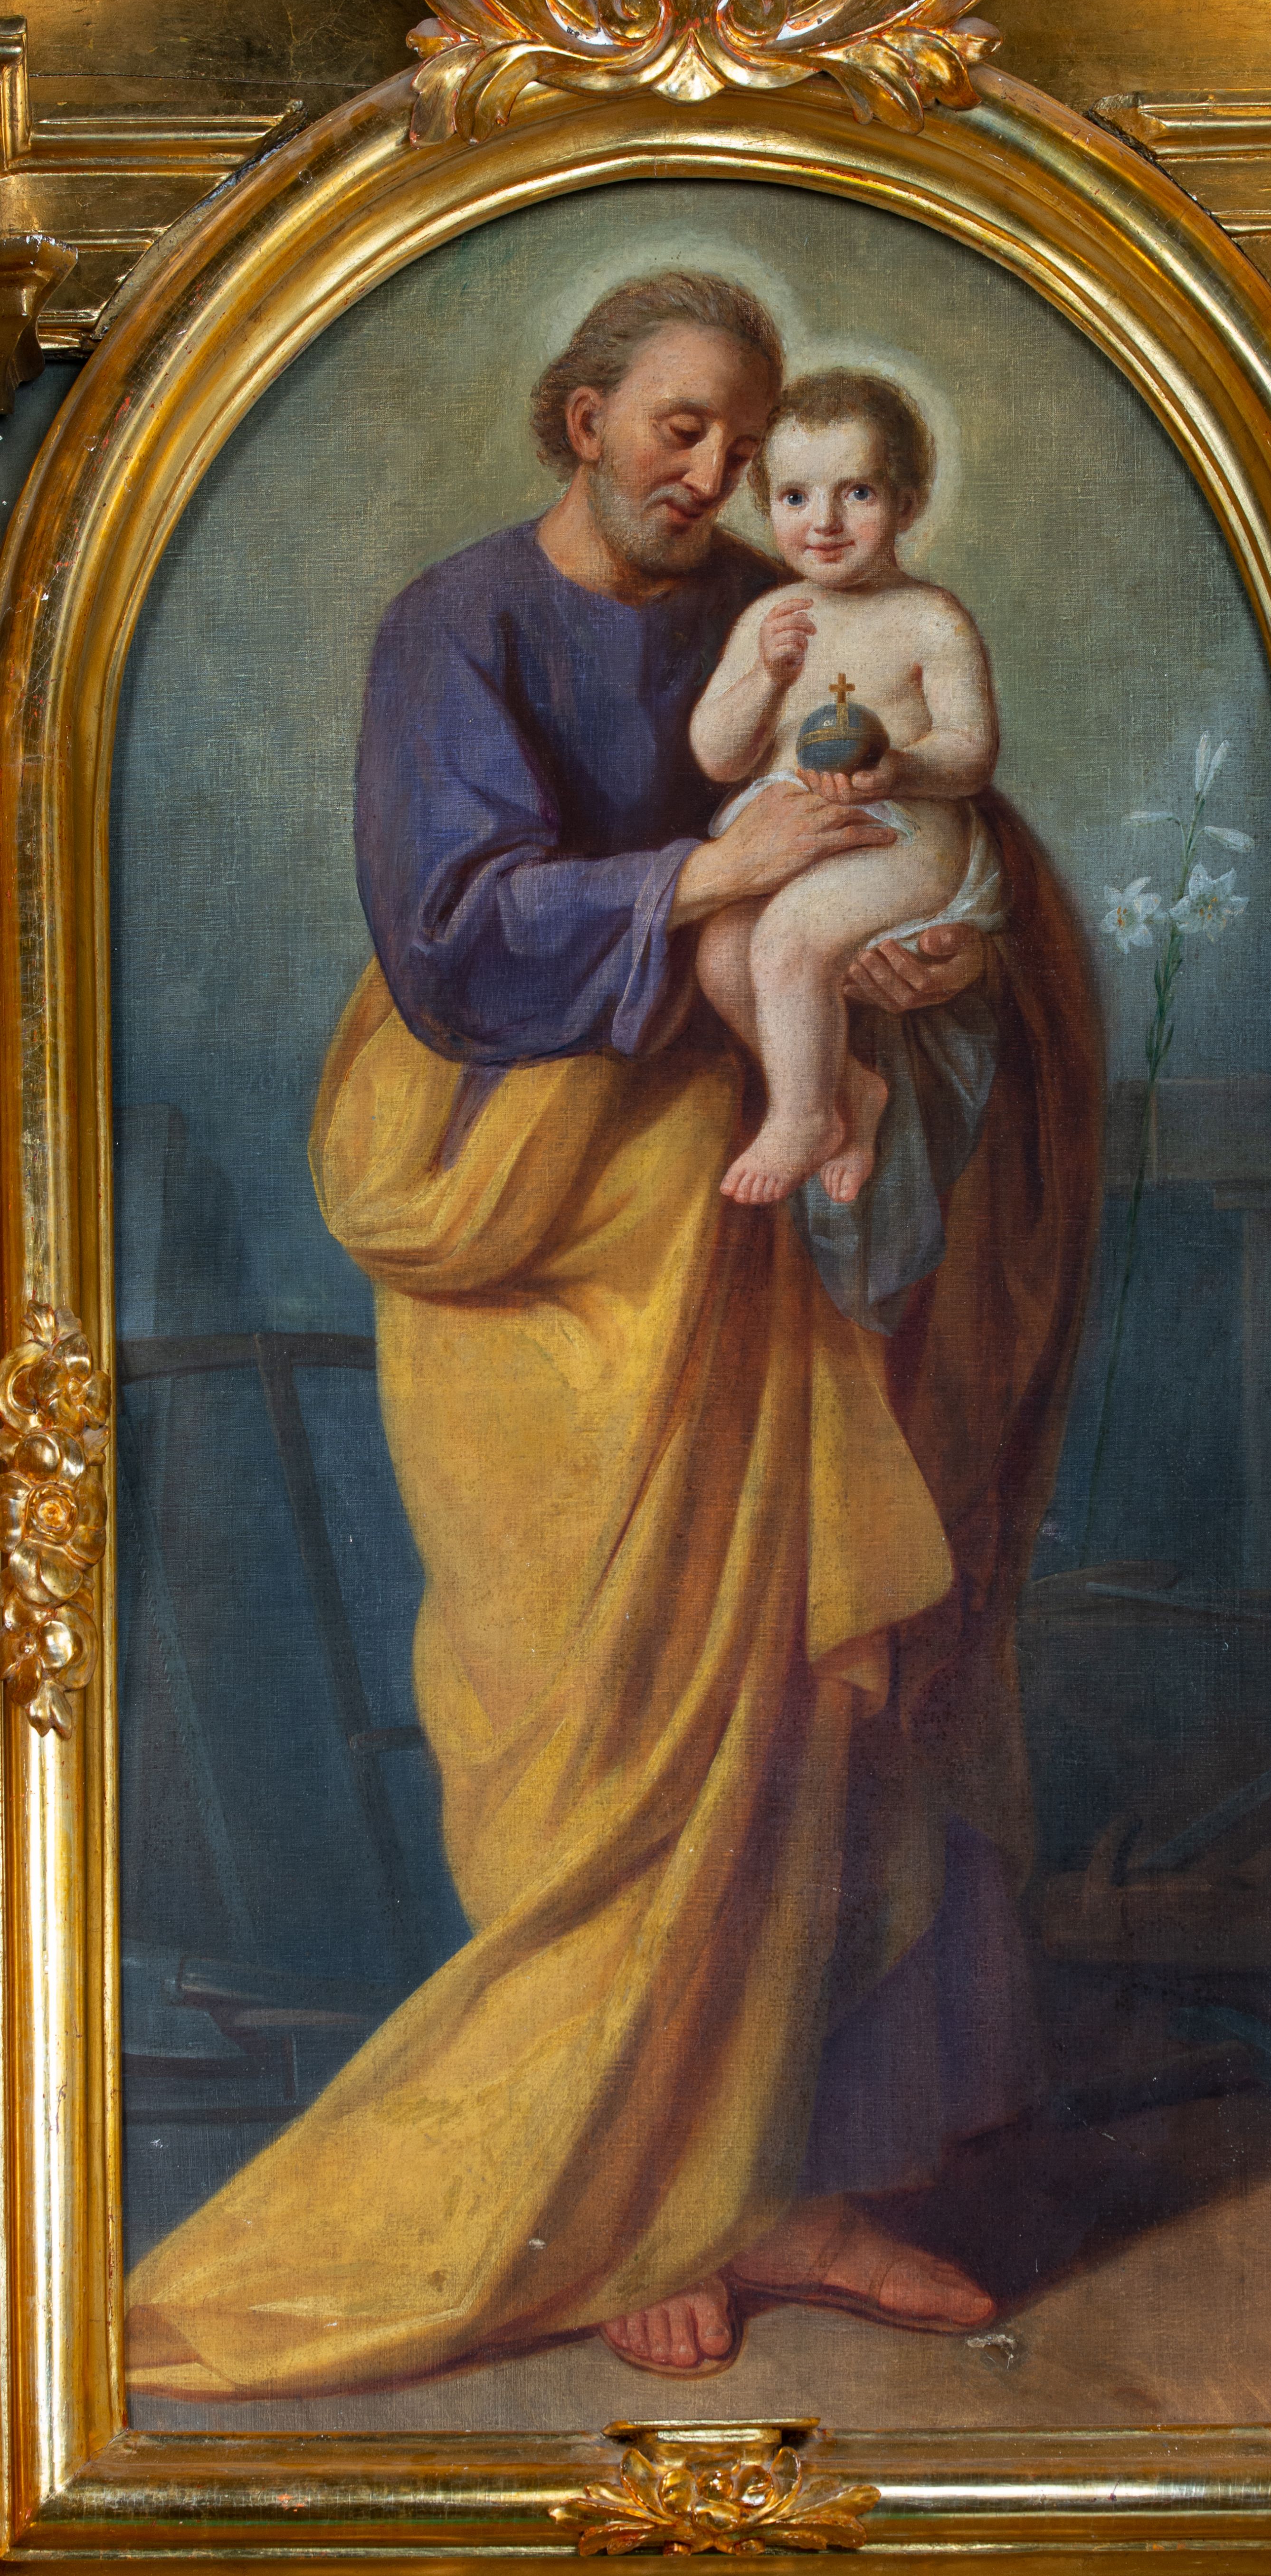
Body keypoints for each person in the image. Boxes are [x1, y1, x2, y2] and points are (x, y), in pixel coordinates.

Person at [125, 270, 1101, 2400]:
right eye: (681, 427)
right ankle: (620, 2203)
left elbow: (927, 831)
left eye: (745, 441)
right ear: (582, 420)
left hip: (735, 1197)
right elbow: (453, 929)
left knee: (791, 1694)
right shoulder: (458, 625)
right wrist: (718, 877)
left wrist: (923, 952)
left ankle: (767, 2184)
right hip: (519, 1191)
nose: (719, 473)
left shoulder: (788, 603)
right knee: (593, 1706)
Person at [691, 370, 999, 1210]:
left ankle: (800, 1118)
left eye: (856, 492)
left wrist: (899, 768)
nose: (822, 522)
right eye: (795, 496)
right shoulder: (769, 622)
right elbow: (717, 755)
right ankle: (849, 1092)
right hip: (798, 836)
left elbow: (971, 752)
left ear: (907, 503)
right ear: (767, 505)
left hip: (900, 836)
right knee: (723, 954)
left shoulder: (931, 618)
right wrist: (765, 677)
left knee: (788, 937)